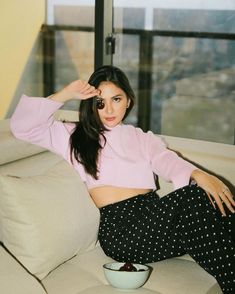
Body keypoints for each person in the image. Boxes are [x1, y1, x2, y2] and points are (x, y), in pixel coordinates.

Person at [10, 65, 234, 294]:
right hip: (122, 232)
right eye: (100, 102)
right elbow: (22, 127)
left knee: (214, 200)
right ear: (91, 104)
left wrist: (200, 175)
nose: (109, 109)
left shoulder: (141, 138)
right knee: (194, 195)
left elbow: (166, 159)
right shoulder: (73, 136)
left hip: (154, 221)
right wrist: (65, 94)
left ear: (128, 100)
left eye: (116, 99)